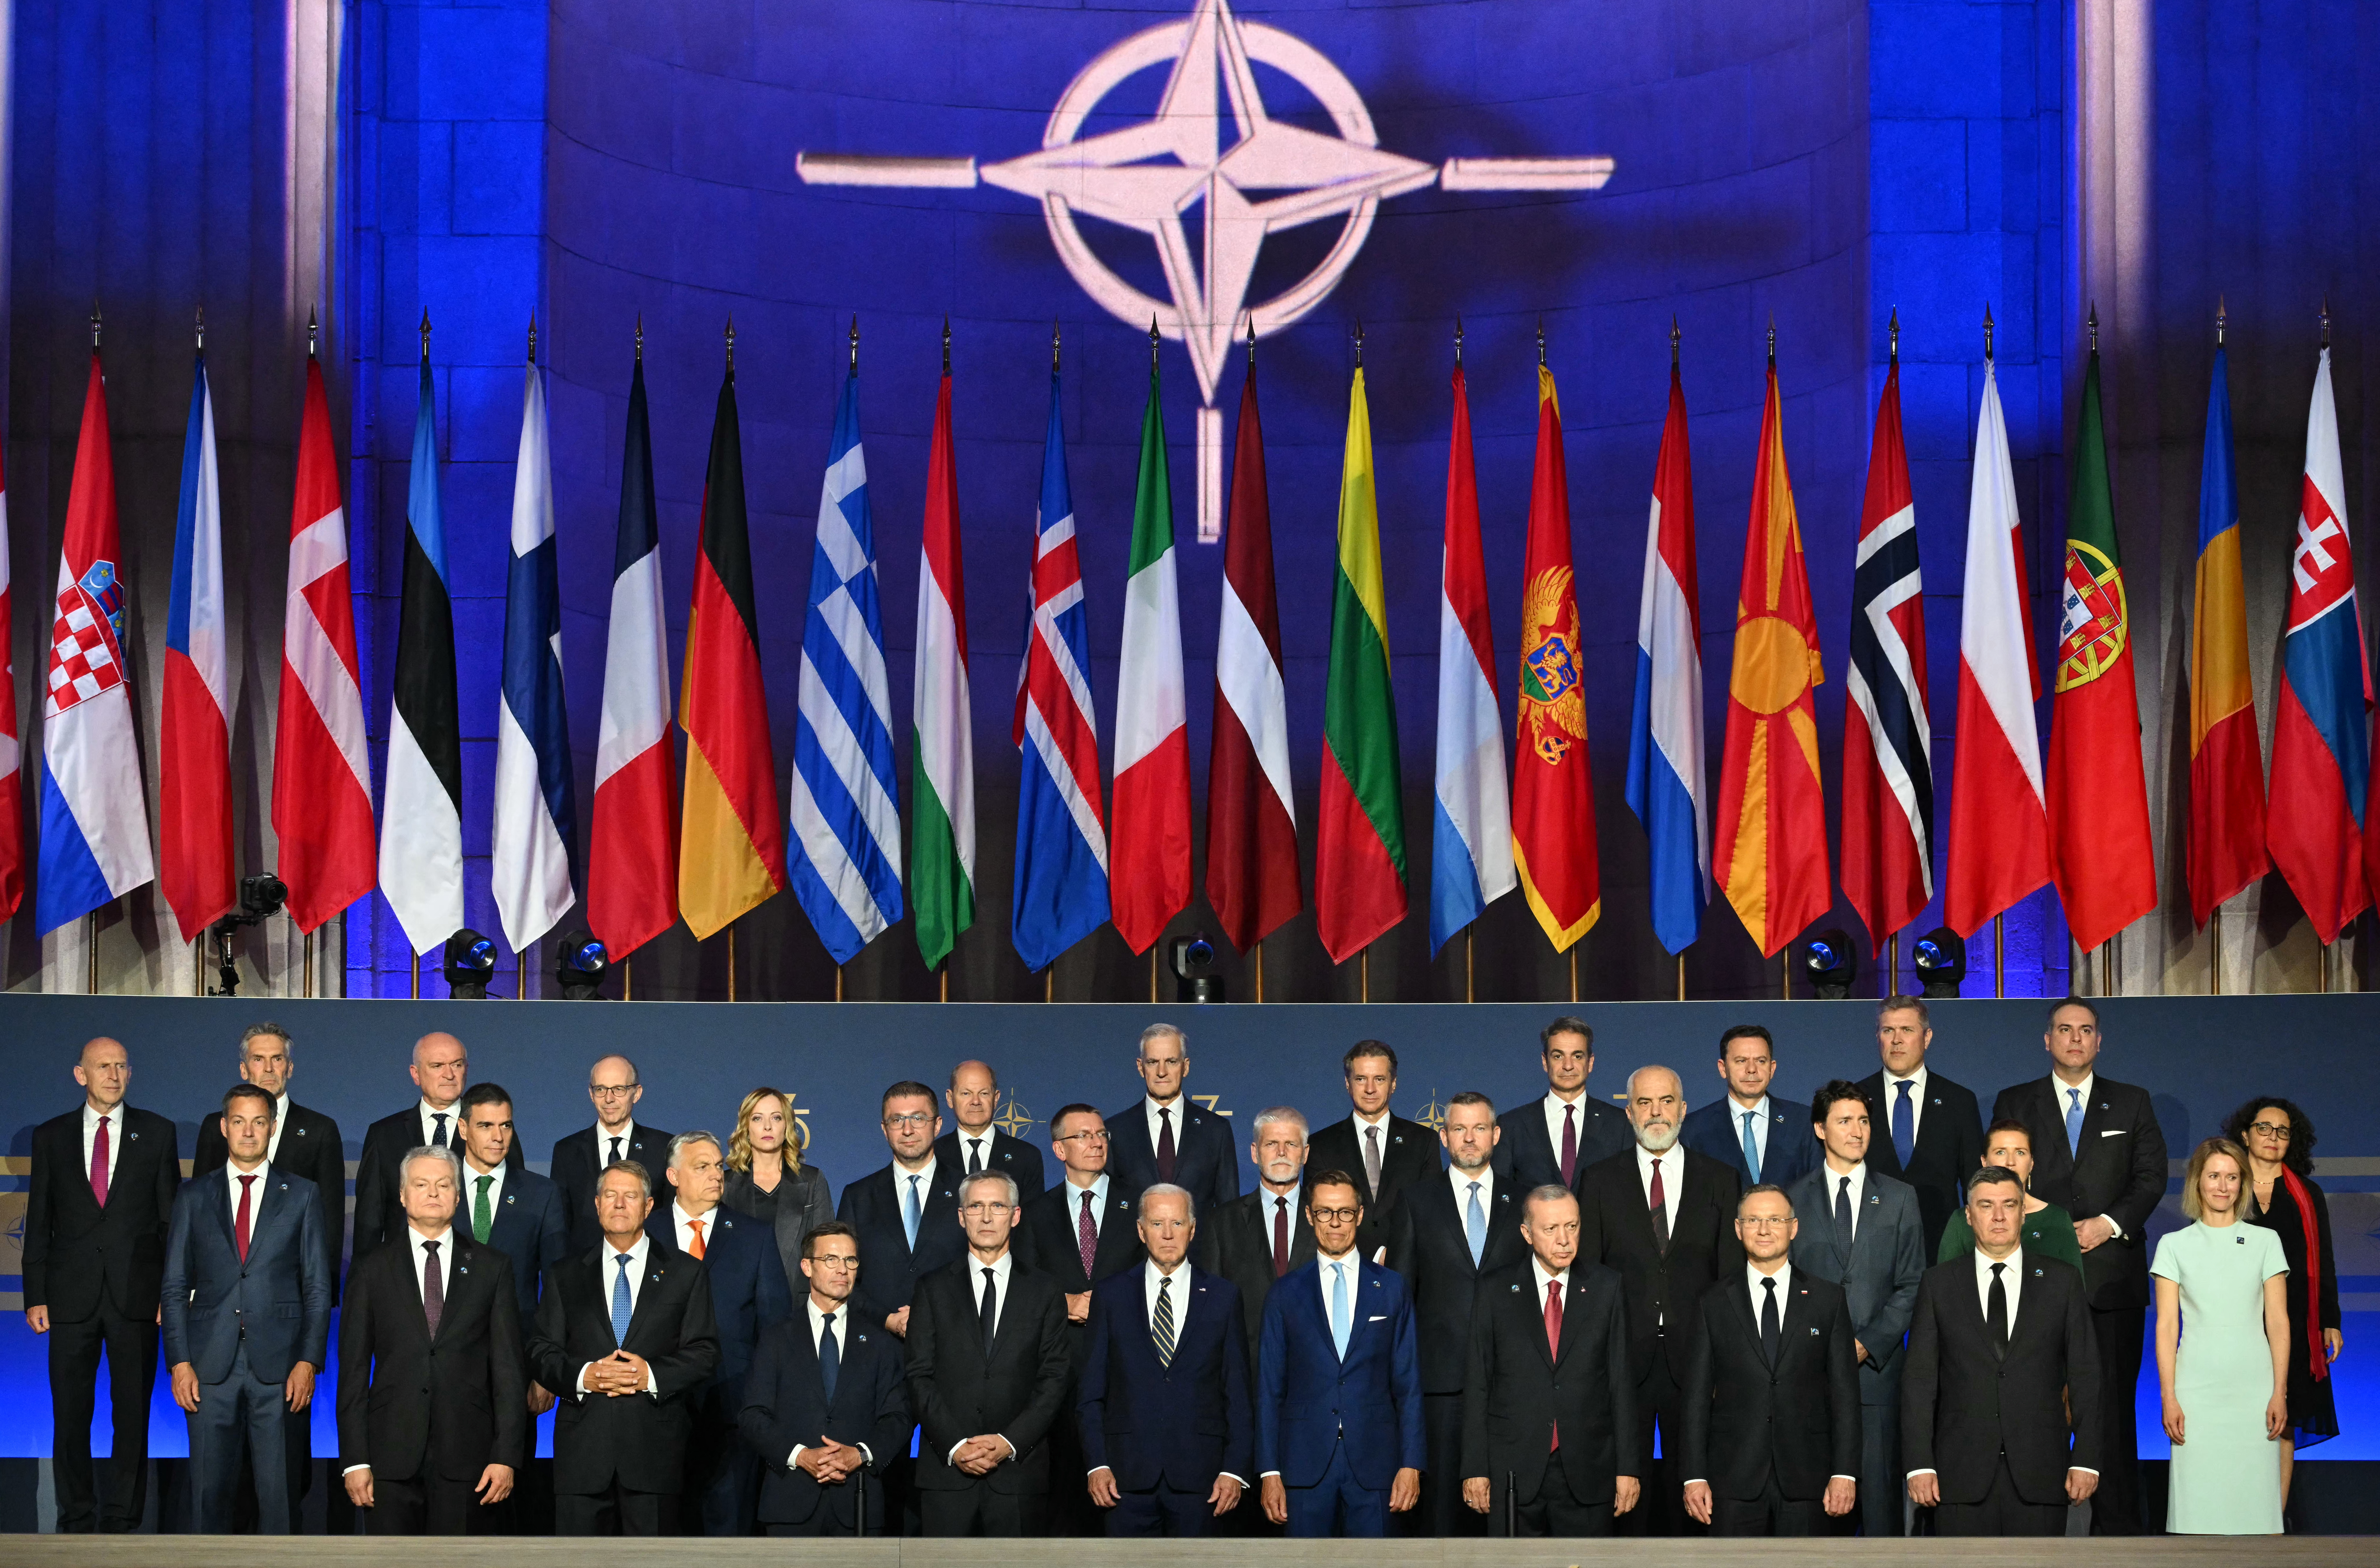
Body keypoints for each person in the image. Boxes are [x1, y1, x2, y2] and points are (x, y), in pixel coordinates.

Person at [1989, 997, 2165, 1535]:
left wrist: (2107, 1223)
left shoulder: (2131, 1102)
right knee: (2033, 1406)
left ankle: (2117, 1533)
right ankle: (2033, 1523)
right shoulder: (2016, 1100)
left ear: (2099, 1040)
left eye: (2085, 1029)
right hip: (2035, 1279)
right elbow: (1999, 1182)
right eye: (2064, 1029)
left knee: (2110, 1411)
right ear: (2047, 1040)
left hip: (2112, 1282)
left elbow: (2151, 1177)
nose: (2075, 1038)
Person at [1576, 1065, 1742, 1534]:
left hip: (1697, 1359)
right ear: (1628, 1112)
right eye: (1645, 1103)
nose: (1656, 1112)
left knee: (1694, 1492)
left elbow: (1731, 1278)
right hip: (1623, 1359)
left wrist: (1726, 1359)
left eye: (1666, 1101)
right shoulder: (1599, 1179)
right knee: (1624, 1495)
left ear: (1683, 1108)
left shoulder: (1721, 1178)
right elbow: (1588, 1275)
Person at [25, 1036, 180, 1533]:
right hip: (70, 1299)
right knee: (70, 1415)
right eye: (102, 1066)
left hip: (136, 1296)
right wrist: (36, 1294)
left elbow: (170, 1223)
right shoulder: (51, 1136)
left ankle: (121, 1517)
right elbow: (40, 1218)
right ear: (80, 1074)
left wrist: (167, 1293)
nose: (113, 1074)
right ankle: (74, 1515)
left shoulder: (156, 1133)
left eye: (120, 1066)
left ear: (130, 1074)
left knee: (131, 1415)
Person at [162, 1084, 332, 1533]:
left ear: (273, 1128)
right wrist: (179, 1360)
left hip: (280, 1366)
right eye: (239, 1121)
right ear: (224, 1127)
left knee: (279, 1499)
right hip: (208, 1365)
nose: (249, 1131)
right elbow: (175, 1285)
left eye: (259, 1121)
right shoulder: (194, 1195)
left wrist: (309, 1361)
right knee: (208, 1496)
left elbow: (317, 1285)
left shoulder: (302, 1194)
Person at [1902, 1166, 2101, 1536]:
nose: (1998, 1216)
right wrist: (1919, 1463)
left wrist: (2087, 1458)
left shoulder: (2062, 1282)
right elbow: (1919, 1381)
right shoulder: (1938, 1284)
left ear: (2023, 1212)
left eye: (2009, 1205)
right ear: (1968, 1215)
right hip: (1957, 1477)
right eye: (1986, 1205)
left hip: (2042, 1473)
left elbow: (2086, 1376)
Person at [336, 1146, 525, 1533]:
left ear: (459, 1195)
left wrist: (506, 1454)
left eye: (444, 1184)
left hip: (469, 1456)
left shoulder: (493, 1266)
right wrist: (355, 1459)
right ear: (404, 1195)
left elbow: (507, 1369)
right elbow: (353, 1370)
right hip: (389, 1455)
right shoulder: (372, 1268)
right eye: (421, 1184)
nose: (434, 1192)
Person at [530, 1161, 721, 1534]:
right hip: (582, 1456)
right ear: (597, 1204)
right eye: (611, 1196)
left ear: (649, 1207)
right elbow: (541, 1350)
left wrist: (648, 1374)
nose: (619, 1204)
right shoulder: (564, 1274)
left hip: (653, 1454)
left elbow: (705, 1351)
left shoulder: (685, 1272)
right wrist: (588, 1376)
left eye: (630, 1196)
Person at [1782, 1078, 1924, 1537]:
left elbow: (1911, 1284)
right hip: (1809, 1382)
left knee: (1881, 1513)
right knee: (1816, 1520)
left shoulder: (1900, 1197)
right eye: (1845, 1121)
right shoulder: (1791, 1199)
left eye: (1864, 1120)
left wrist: (1866, 1344)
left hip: (1876, 1380)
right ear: (1821, 1129)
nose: (1858, 1130)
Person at [1383, 1090, 1527, 1536]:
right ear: (1444, 1137)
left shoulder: (1525, 1200)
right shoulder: (1417, 1200)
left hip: (1511, 1384)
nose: (1469, 1138)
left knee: (1506, 1518)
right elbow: (1403, 1296)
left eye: (1479, 1128)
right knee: (1442, 1519)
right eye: (1459, 1129)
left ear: (1496, 1134)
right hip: (1441, 1387)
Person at [1459, 1184, 1639, 1536]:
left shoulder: (1606, 1287)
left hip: (1588, 1470)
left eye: (1572, 1227)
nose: (1564, 1240)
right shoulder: (1495, 1290)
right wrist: (1474, 1467)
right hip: (1513, 1471)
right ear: (1527, 1234)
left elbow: (1621, 1381)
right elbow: (1479, 1381)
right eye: (1551, 1229)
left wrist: (1628, 1467)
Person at [1254, 1171, 1425, 1537]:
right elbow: (1269, 1388)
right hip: (1302, 1464)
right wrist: (1269, 1471)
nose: (1335, 1223)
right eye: (1325, 1213)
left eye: (1345, 1213)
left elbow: (1408, 1384)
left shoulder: (1392, 1287)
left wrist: (1411, 1463)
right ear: (1309, 1216)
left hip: (1377, 1464)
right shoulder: (1284, 1293)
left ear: (1360, 1215)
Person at [904, 1170, 1075, 1536]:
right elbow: (919, 1375)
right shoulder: (931, 1288)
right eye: (976, 1206)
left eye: (997, 1206)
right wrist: (955, 1444)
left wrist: (1008, 1442)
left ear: (1015, 1215)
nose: (986, 1217)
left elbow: (1054, 1378)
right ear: (961, 1216)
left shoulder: (1045, 1290)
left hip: (1018, 1474)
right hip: (946, 1473)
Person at [1681, 1185, 1858, 1536]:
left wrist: (1845, 1472)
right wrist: (1693, 1475)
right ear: (1737, 1228)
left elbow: (1845, 1395)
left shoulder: (1828, 1299)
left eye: (1775, 1219)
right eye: (1753, 1220)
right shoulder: (1712, 1302)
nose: (1764, 1229)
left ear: (1793, 1228)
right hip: (1732, 1481)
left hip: (1810, 1480)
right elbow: (1696, 1397)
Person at [1079, 1184, 1254, 1535]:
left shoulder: (1223, 1296)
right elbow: (1091, 1392)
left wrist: (1234, 1470)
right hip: (1123, 1478)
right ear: (1141, 1231)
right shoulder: (1111, 1295)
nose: (1169, 1234)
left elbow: (1237, 1393)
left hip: (1203, 1480)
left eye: (1177, 1222)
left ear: (1193, 1228)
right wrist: (1096, 1464)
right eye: (1158, 1224)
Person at [651, 1131, 794, 1534]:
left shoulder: (754, 1235)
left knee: (728, 1531)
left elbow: (775, 1324)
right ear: (674, 1175)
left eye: (719, 1166)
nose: (717, 1175)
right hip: (657, 1407)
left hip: (733, 1404)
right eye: (703, 1167)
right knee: (663, 1531)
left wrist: (766, 1400)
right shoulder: (647, 1231)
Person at [1015, 1103, 1142, 1534]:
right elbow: (1022, 1288)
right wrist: (1064, 1301)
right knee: (1066, 1500)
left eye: (1101, 1133)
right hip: (1060, 1370)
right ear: (1058, 1148)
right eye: (1082, 1135)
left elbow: (1159, 1276)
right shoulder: (1034, 1213)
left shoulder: (1140, 1202)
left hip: (1128, 1367)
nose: (1095, 1141)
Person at [737, 1221, 911, 1535]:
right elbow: (752, 1415)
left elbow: (897, 1417)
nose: (842, 1269)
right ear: (807, 1266)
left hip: (858, 1503)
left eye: (851, 1260)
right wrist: (801, 1456)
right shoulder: (776, 1338)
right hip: (789, 1505)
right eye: (831, 1259)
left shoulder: (880, 1343)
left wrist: (859, 1454)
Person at [2154, 1136, 2290, 1535]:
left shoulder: (2266, 1241)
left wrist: (2279, 1391)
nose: (2223, 1185)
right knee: (2197, 1510)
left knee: (2255, 1512)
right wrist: (2169, 1396)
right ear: (2198, 1181)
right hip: (2196, 1387)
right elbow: (2167, 1326)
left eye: (2232, 1176)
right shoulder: (2174, 1245)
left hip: (2254, 1386)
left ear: (2242, 1183)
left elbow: (2278, 1322)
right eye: (2214, 1175)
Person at [454, 1081, 569, 1532]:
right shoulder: (438, 1186)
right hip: (447, 1366)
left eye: (505, 1125)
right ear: (464, 1127)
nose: (498, 1136)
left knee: (506, 1498)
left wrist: (546, 1371)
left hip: (516, 1367)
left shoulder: (541, 1193)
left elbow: (557, 1288)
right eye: (485, 1125)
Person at [2226, 1095, 2342, 1509]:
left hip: (2294, 1320)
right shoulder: (2225, 1184)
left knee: (2284, 1416)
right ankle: (2235, 1511)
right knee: (2237, 1416)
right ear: (2245, 1133)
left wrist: (2330, 1319)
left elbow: (2321, 1259)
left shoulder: (2306, 1192)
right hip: (2234, 1318)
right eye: (2264, 1127)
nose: (2273, 1137)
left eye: (2282, 1130)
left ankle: (2272, 1516)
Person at [356, 1032, 521, 1270]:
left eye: (457, 1064)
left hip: (476, 1273)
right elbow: (369, 1220)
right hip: (405, 1274)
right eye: (437, 1066)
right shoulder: (385, 1135)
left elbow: (516, 1204)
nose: (449, 1074)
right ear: (416, 1074)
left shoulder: (494, 1131)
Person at [1857, 996, 1984, 1259]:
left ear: (1927, 1038)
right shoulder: (1854, 1099)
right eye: (1888, 1030)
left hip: (1940, 1249)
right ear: (1878, 1036)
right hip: (1869, 1248)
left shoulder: (1959, 1101)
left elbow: (1975, 1182)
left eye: (1907, 1030)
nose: (1897, 1040)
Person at [1195, 1106, 1317, 1375]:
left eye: (1291, 1144)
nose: (1282, 1153)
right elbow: (1210, 1311)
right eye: (1272, 1143)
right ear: (1254, 1152)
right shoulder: (1221, 1222)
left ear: (1305, 1154)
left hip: (1315, 1377)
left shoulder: (1326, 1219)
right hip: (1245, 1374)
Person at [1307, 1040, 1437, 1258]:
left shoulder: (1423, 1141)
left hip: (1405, 1271)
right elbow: (1318, 1215)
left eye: (1379, 1079)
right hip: (1342, 1267)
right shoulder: (1321, 1144)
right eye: (1361, 1079)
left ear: (1394, 1083)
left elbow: (1429, 1212)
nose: (1370, 1089)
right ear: (1348, 1083)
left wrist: (1395, 1255)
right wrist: (1374, 1256)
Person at [1107, 1023, 1240, 1215]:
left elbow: (1229, 1212)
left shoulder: (1216, 1130)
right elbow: (1109, 1212)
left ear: (1185, 1067)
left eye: (1171, 1061)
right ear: (1140, 1067)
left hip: (1198, 1245)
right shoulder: (1116, 1131)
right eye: (1153, 1062)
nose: (1162, 1072)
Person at [551, 1054, 673, 1257]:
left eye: (619, 1089)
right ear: (591, 1094)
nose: (609, 1098)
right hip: (585, 1273)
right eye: (601, 1089)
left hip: (650, 1272)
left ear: (637, 1093)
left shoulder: (664, 1147)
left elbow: (671, 1218)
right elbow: (560, 1223)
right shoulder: (567, 1150)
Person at [1494, 1016, 1629, 1194]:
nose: (1568, 1066)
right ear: (1545, 1062)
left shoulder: (1620, 1124)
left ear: (1590, 1063)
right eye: (1558, 1056)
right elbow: (1501, 1196)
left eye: (1577, 1056)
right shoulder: (1513, 1125)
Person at [722, 1087, 835, 1293]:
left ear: (788, 1126)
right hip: (739, 1304)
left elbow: (826, 1250)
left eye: (776, 1118)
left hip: (797, 1307)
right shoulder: (725, 1184)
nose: (767, 1127)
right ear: (746, 1127)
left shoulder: (812, 1180)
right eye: (757, 1119)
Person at [1680, 1025, 1819, 1189]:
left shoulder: (1804, 1122)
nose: (1752, 1070)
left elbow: (1817, 1189)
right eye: (1741, 1061)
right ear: (1723, 1068)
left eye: (1761, 1061)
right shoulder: (1694, 1129)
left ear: (1772, 1069)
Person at [1935, 1119, 2083, 1271]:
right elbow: (1945, 1286)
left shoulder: (2058, 1220)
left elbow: (2073, 1291)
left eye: (2020, 1152)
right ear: (1984, 1161)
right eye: (2001, 1152)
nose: (2010, 1162)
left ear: (2032, 1163)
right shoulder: (1962, 1221)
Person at [934, 1059, 1047, 1197]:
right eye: (966, 1094)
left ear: (996, 1099)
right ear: (950, 1099)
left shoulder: (1027, 1157)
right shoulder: (933, 1155)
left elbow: (1033, 1217)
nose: (975, 1102)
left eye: (984, 1093)